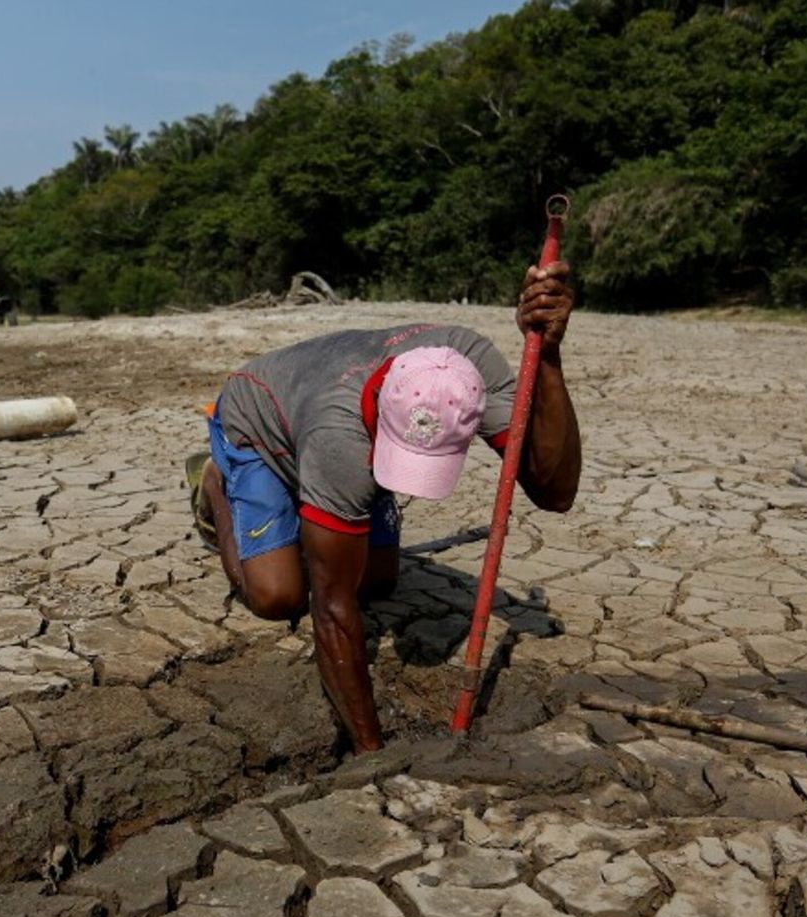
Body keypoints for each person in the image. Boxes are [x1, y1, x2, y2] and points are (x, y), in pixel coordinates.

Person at [188, 262, 581, 751]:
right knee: (277, 597)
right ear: (380, 418)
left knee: (377, 582)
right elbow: (329, 609)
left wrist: (548, 355)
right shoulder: (341, 441)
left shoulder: (467, 370)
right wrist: (371, 753)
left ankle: (311, 510)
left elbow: (555, 491)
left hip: (322, 426)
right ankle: (214, 481)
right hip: (259, 421)